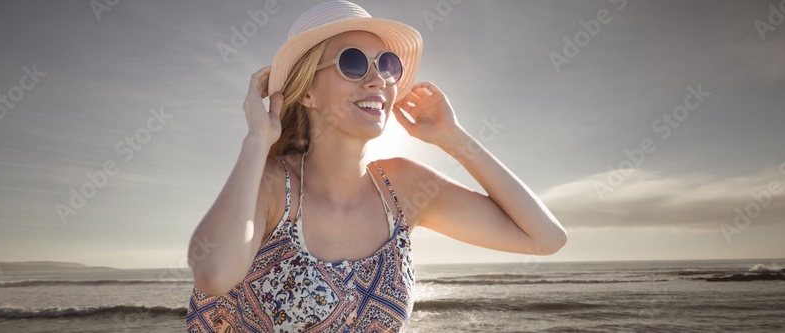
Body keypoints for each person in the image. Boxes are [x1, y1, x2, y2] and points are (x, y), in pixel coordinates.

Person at [186, 1, 568, 332]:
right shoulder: (271, 184)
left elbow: (545, 238)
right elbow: (213, 274)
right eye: (353, 62)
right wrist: (256, 141)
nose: (377, 80)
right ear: (306, 92)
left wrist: (453, 137)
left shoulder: (403, 189)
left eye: (387, 65)